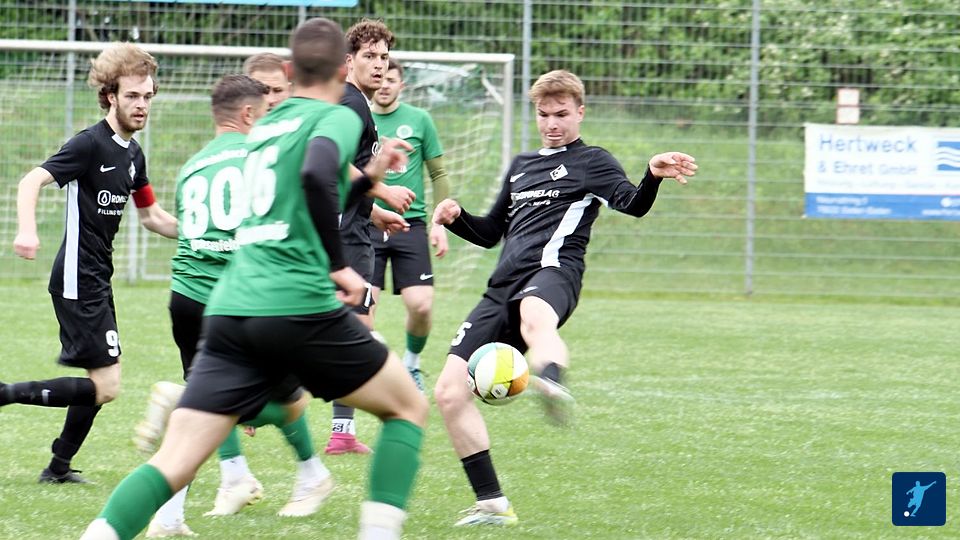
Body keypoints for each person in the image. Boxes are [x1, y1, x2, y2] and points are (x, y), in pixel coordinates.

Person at [80, 17, 427, 540]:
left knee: (174, 459)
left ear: (289, 70)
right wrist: (339, 266)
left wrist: (370, 178)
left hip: (229, 306)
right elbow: (316, 173)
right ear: (342, 70)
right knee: (407, 407)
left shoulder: (265, 125)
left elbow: (307, 186)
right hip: (296, 302)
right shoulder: (336, 114)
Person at [431, 69, 697, 526]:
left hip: (554, 272)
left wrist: (652, 175)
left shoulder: (592, 161)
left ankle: (552, 380)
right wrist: (456, 218)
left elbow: (632, 203)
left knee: (535, 315)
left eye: (561, 114)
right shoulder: (521, 165)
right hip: (501, 287)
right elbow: (492, 232)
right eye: (543, 115)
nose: (552, 123)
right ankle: (492, 504)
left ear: (580, 113)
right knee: (448, 392)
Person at [135, 75, 333, 538]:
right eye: (264, 113)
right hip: (239, 301)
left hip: (186, 298)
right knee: (289, 404)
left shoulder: (191, 166)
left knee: (201, 410)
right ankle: (311, 476)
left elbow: (190, 231)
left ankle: (169, 517)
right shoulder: (260, 158)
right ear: (247, 115)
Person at [4, 43, 177, 485]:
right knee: (107, 386)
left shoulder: (133, 155)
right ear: (110, 96)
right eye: (132, 96)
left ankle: (58, 468)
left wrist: (204, 232)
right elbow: (30, 181)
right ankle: (5, 395)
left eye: (148, 96)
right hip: (77, 278)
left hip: (97, 277)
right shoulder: (89, 144)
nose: (142, 105)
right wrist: (27, 230)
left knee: (100, 380)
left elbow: (152, 217)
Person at [324, 17, 416, 456]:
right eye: (370, 56)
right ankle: (256, 398)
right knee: (352, 333)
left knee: (353, 327)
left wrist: (374, 212)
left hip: (356, 230)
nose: (379, 65)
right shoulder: (351, 103)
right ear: (349, 60)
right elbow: (334, 162)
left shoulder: (355, 103)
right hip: (346, 239)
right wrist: (384, 191)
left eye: (384, 57)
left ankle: (341, 430)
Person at [369, 59, 450, 391]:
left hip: (410, 224)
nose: (384, 85)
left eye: (392, 80)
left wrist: (439, 222)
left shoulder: (420, 119)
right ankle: (372, 375)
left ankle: (412, 364)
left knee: (421, 305)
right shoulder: (357, 118)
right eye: (381, 79)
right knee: (362, 310)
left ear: (401, 85)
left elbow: (439, 174)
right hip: (368, 223)